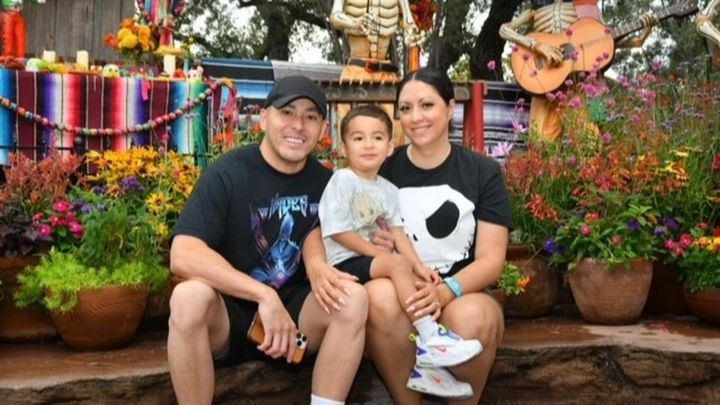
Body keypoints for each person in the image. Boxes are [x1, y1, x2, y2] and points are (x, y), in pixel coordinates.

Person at [167, 75, 368, 405]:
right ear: (263, 118)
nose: (298, 125)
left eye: (310, 117)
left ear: (323, 129)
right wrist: (263, 296)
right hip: (230, 313)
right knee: (187, 298)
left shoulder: (329, 183)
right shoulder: (228, 172)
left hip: (298, 316)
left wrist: (378, 238)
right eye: (287, 113)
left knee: (354, 298)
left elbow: (345, 240)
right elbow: (183, 253)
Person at [318, 104, 482, 398]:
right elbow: (337, 231)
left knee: (413, 279)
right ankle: (430, 334)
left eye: (377, 137)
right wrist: (377, 254)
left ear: (390, 146)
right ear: (343, 147)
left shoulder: (389, 189)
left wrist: (418, 266)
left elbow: (398, 233)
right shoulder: (342, 180)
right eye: (358, 138)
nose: (368, 144)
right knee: (395, 265)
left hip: (370, 262)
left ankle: (425, 369)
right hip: (345, 263)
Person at [499, 0, 656, 140]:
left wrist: (642, 35)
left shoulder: (587, 8)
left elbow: (607, 41)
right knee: (540, 141)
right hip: (542, 80)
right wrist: (536, 45)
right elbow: (504, 30)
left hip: (576, 81)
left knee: (589, 138)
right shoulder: (534, 10)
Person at [330, 0, 425, 81]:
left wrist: (411, 37)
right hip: (354, 73)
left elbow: (409, 25)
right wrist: (355, 23)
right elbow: (335, 17)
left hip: (387, 75)